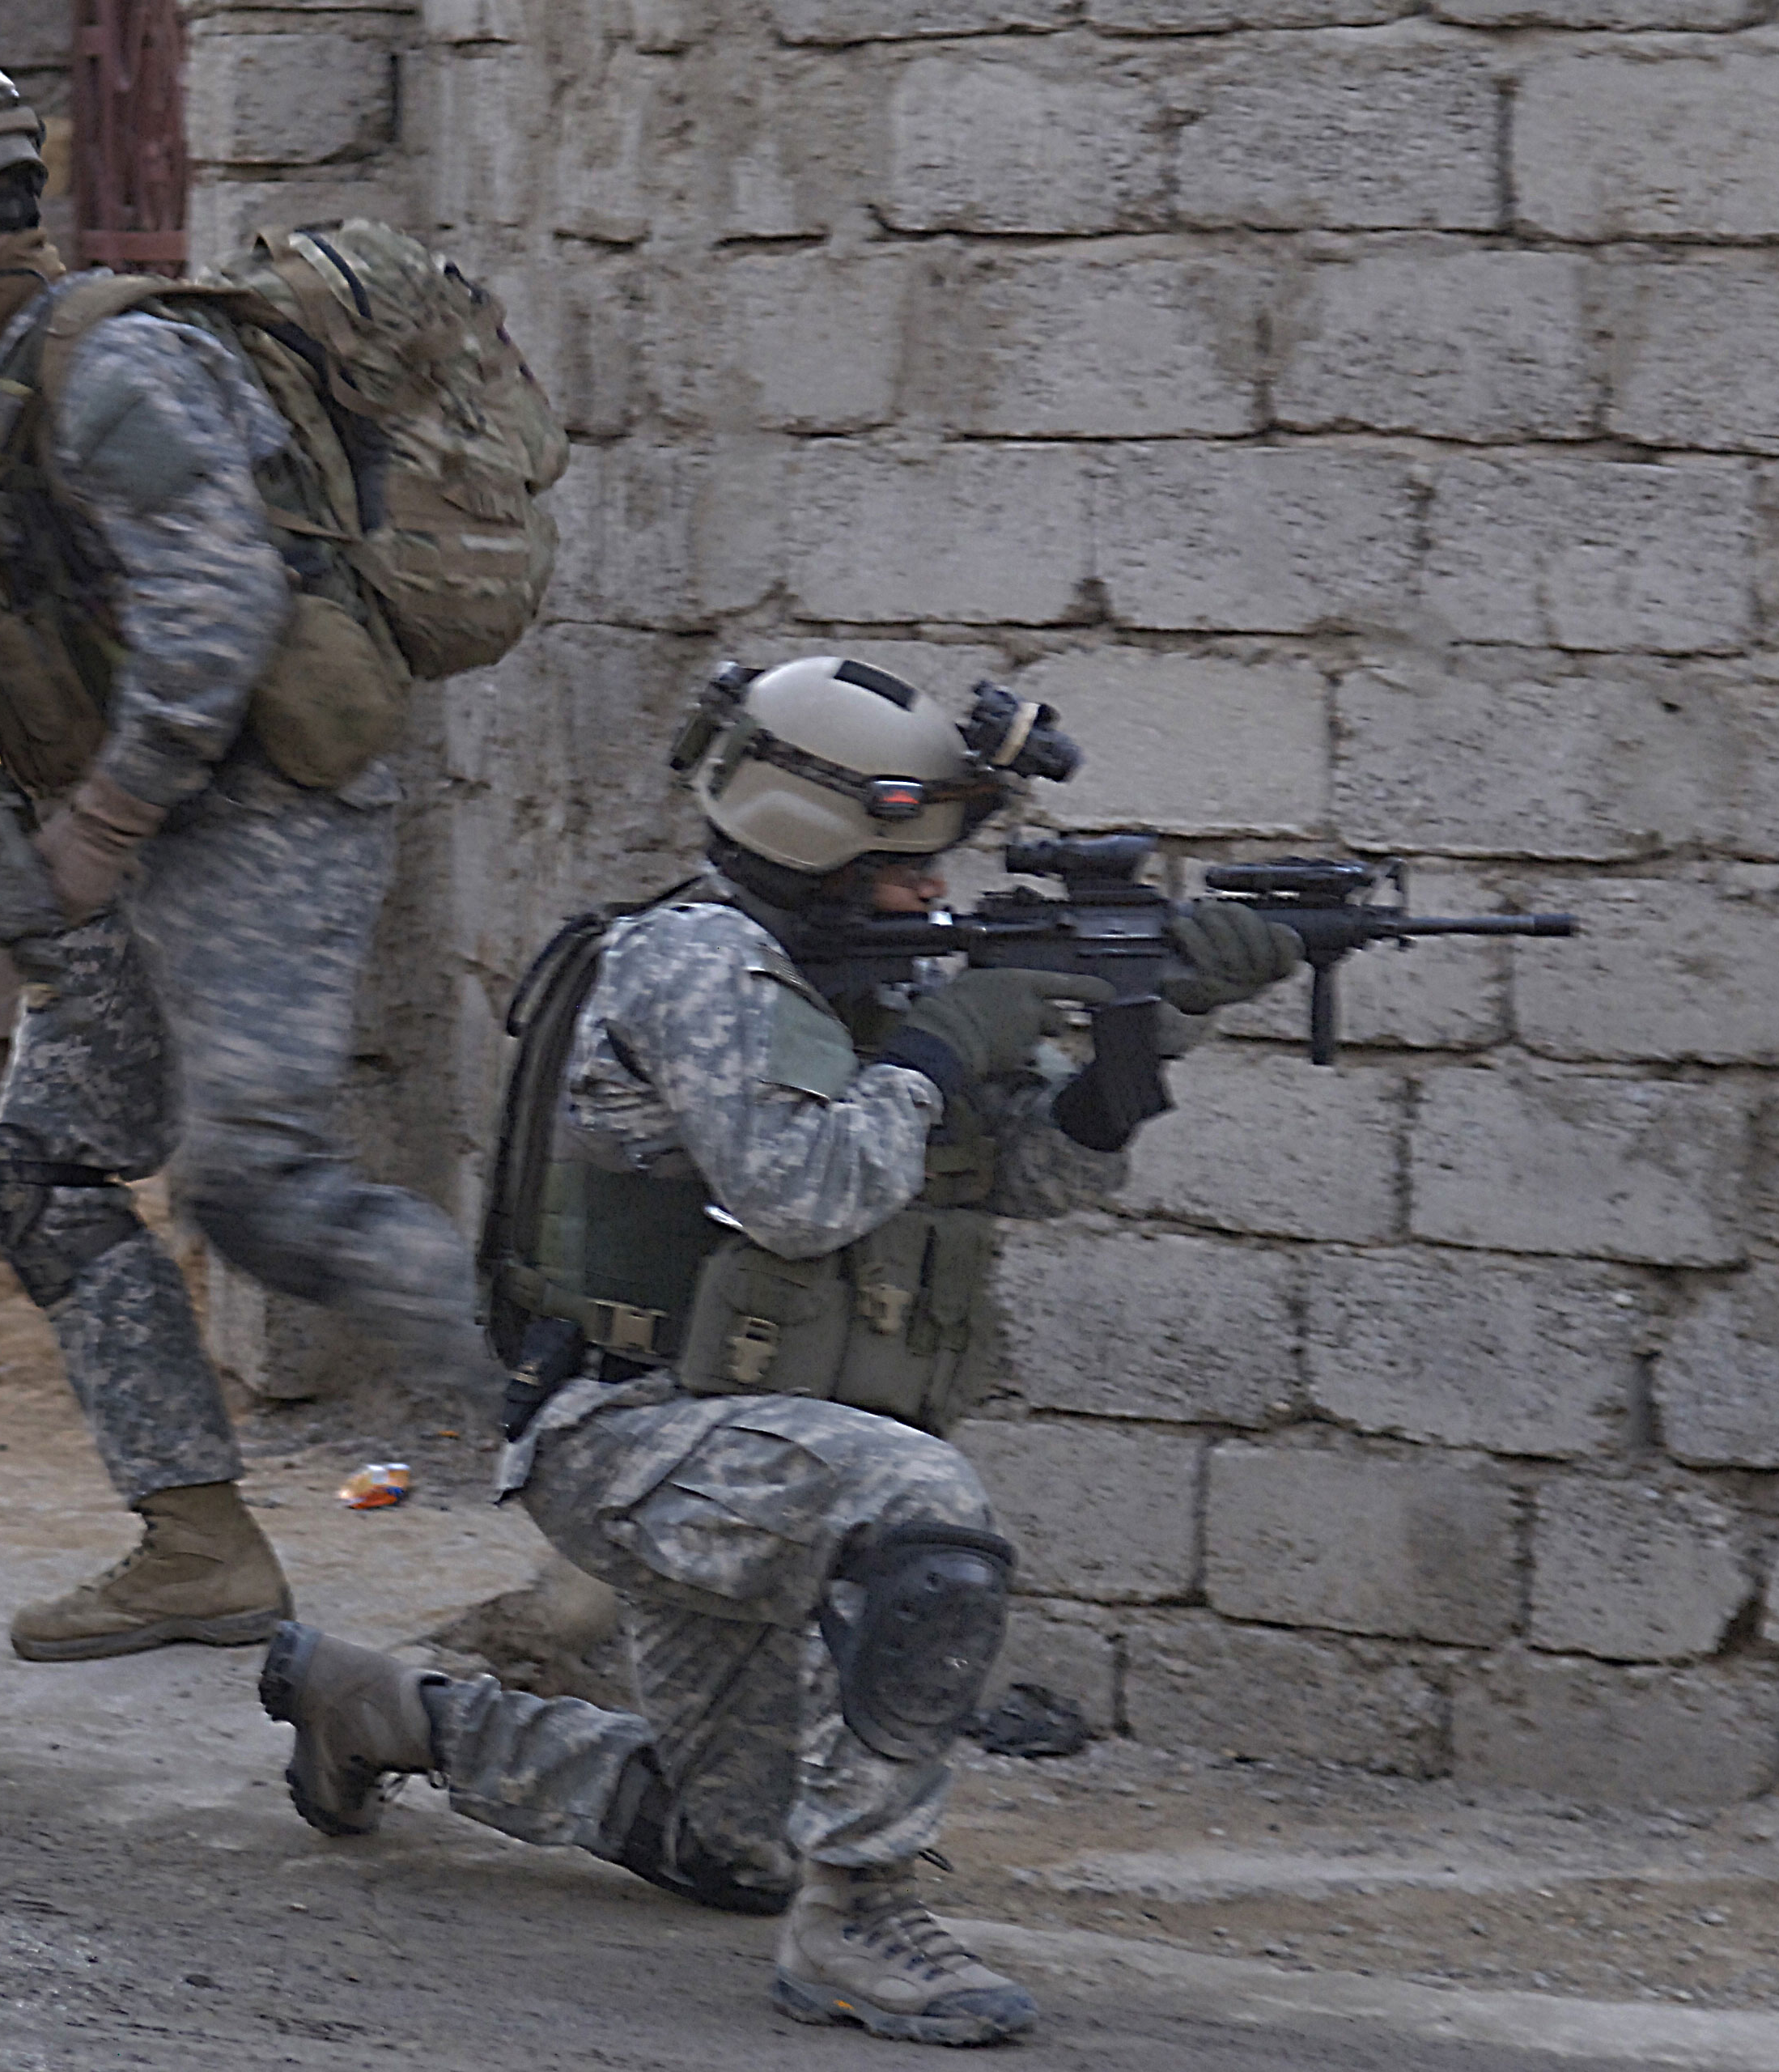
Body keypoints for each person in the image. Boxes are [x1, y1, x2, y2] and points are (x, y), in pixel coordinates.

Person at [257, 656, 1303, 2047]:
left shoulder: (873, 976)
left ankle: (376, 1708)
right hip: (626, 1435)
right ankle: (858, 1924)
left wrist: (1157, 1019)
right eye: (903, 867)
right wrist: (937, 1048)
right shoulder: (693, 962)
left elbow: (1030, 1176)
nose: (931, 896)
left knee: (730, 1845)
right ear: (812, 845)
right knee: (923, 1512)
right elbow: (799, 1190)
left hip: (751, 1440)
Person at [0, 40, 502, 1660]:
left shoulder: (109, 365)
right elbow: (102, 597)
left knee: (259, 1191)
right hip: (157, 830)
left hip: (253, 813)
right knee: (41, 1168)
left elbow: (216, 610)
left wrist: (100, 820)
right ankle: (198, 1544)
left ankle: (598, 1479)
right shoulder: (28, 382)